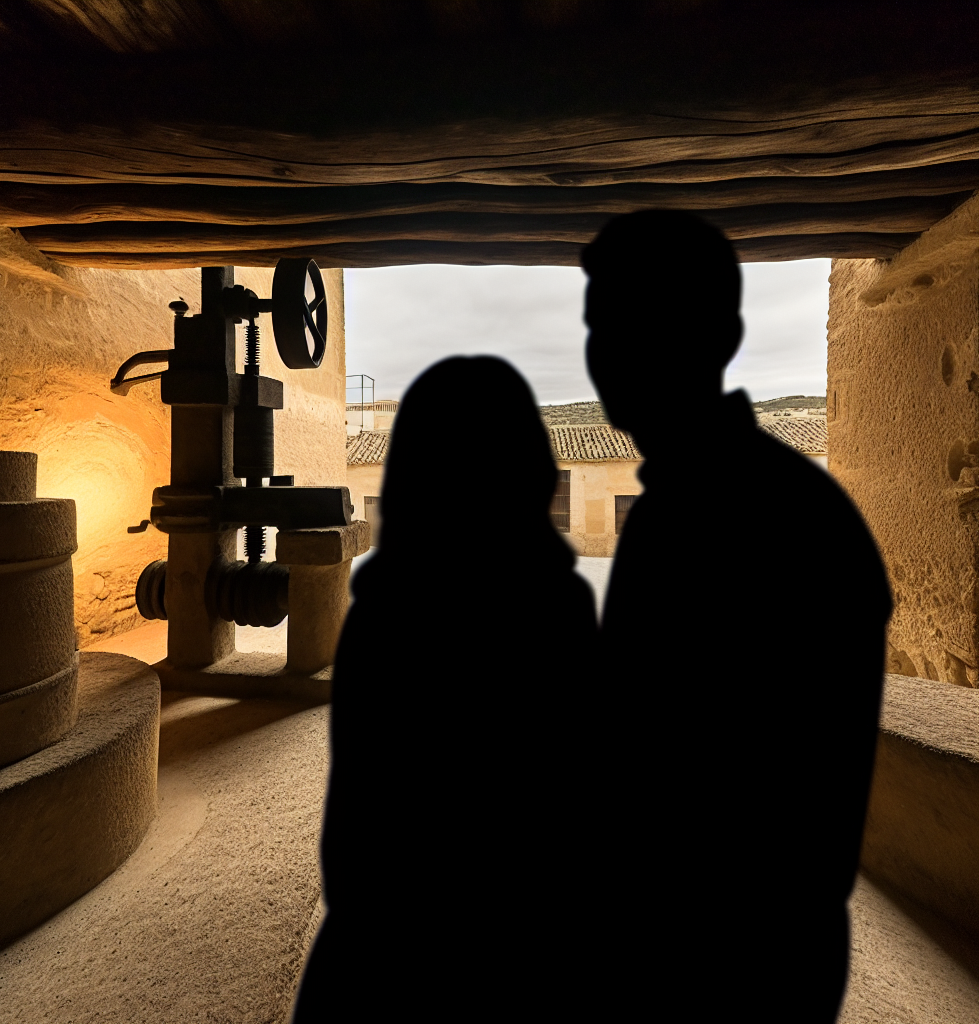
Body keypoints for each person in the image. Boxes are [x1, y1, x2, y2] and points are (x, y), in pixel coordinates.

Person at [584, 210, 892, 1022]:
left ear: (717, 336)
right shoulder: (712, 502)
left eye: (632, 323)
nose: (606, 351)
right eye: (598, 325)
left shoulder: (756, 517)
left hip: (730, 962)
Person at [292, 355, 599, 1022]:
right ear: (529, 469)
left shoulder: (383, 610)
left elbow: (360, 810)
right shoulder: (560, 606)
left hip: (392, 934)